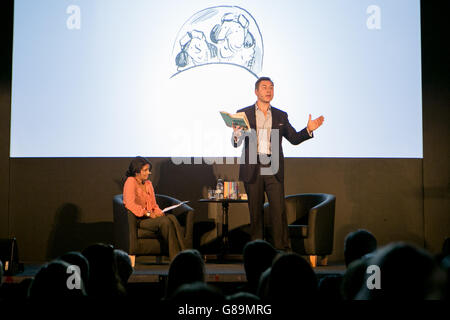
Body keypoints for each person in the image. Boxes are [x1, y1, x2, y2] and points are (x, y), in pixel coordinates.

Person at [231, 77, 324, 250]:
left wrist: (309, 129)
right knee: (256, 212)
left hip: (273, 167)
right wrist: (236, 133)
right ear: (256, 92)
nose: (268, 91)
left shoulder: (281, 115)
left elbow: (294, 139)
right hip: (253, 166)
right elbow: (236, 143)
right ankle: (257, 251)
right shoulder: (243, 114)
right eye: (264, 87)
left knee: (278, 212)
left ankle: (282, 250)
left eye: (271, 88)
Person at [123, 156, 185, 260]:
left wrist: (158, 212)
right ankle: (176, 258)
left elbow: (154, 205)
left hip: (149, 218)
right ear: (136, 171)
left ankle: (184, 254)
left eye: (149, 170)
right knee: (165, 222)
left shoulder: (148, 184)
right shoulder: (130, 182)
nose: (149, 173)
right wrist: (148, 213)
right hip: (139, 220)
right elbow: (129, 204)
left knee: (171, 218)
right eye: (145, 170)